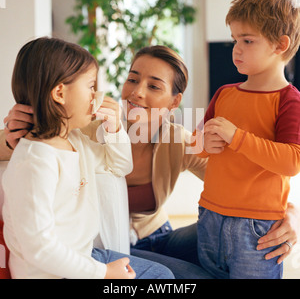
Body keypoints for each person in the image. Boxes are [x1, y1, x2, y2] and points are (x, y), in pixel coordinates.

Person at [1, 45, 300, 278]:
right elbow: (28, 149)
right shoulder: (83, 127)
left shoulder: (179, 140)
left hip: (160, 236)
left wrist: (286, 213)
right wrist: (16, 131)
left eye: (154, 86)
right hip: (111, 247)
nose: (137, 92)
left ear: (174, 102)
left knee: (241, 233)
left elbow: (240, 181)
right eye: (132, 79)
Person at [1, 37, 174, 279]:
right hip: (52, 273)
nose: (97, 96)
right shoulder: (34, 161)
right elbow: (39, 248)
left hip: (85, 256)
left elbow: (121, 166)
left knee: (162, 275)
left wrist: (114, 130)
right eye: (91, 86)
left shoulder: (76, 141)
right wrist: (102, 273)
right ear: (60, 93)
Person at [195, 0, 300, 279]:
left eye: (247, 40)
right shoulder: (224, 94)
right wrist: (204, 143)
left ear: (280, 45)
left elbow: (292, 161)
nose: (236, 49)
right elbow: (198, 146)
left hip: (257, 228)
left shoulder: (289, 100)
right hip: (209, 217)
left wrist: (236, 137)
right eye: (234, 40)